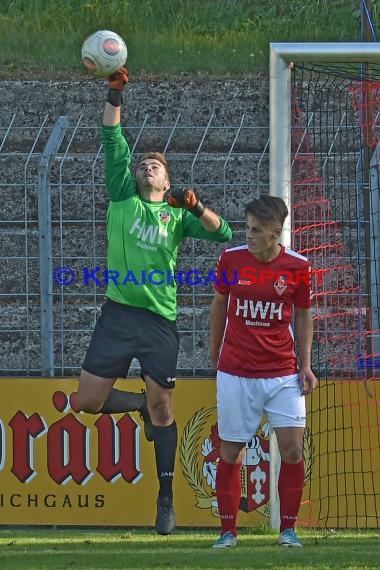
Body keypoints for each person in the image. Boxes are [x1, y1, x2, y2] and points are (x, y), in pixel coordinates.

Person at [75, 67, 232, 535]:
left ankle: (165, 498)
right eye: (144, 163)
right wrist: (114, 92)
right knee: (88, 400)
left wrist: (196, 206)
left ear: (166, 181)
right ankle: (139, 405)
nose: (147, 166)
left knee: (165, 410)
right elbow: (110, 134)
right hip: (118, 314)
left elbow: (221, 232)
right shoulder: (123, 195)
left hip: (159, 321)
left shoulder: (174, 214)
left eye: (156, 165)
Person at [209, 195, 317, 548]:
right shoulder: (231, 260)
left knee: (292, 450)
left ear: (275, 233)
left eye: (257, 230)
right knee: (231, 452)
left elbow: (303, 315)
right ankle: (228, 532)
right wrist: (214, 352)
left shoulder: (298, 267)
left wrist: (306, 365)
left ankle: (288, 530)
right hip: (237, 372)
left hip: (283, 374)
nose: (249, 235)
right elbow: (219, 304)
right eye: (247, 228)